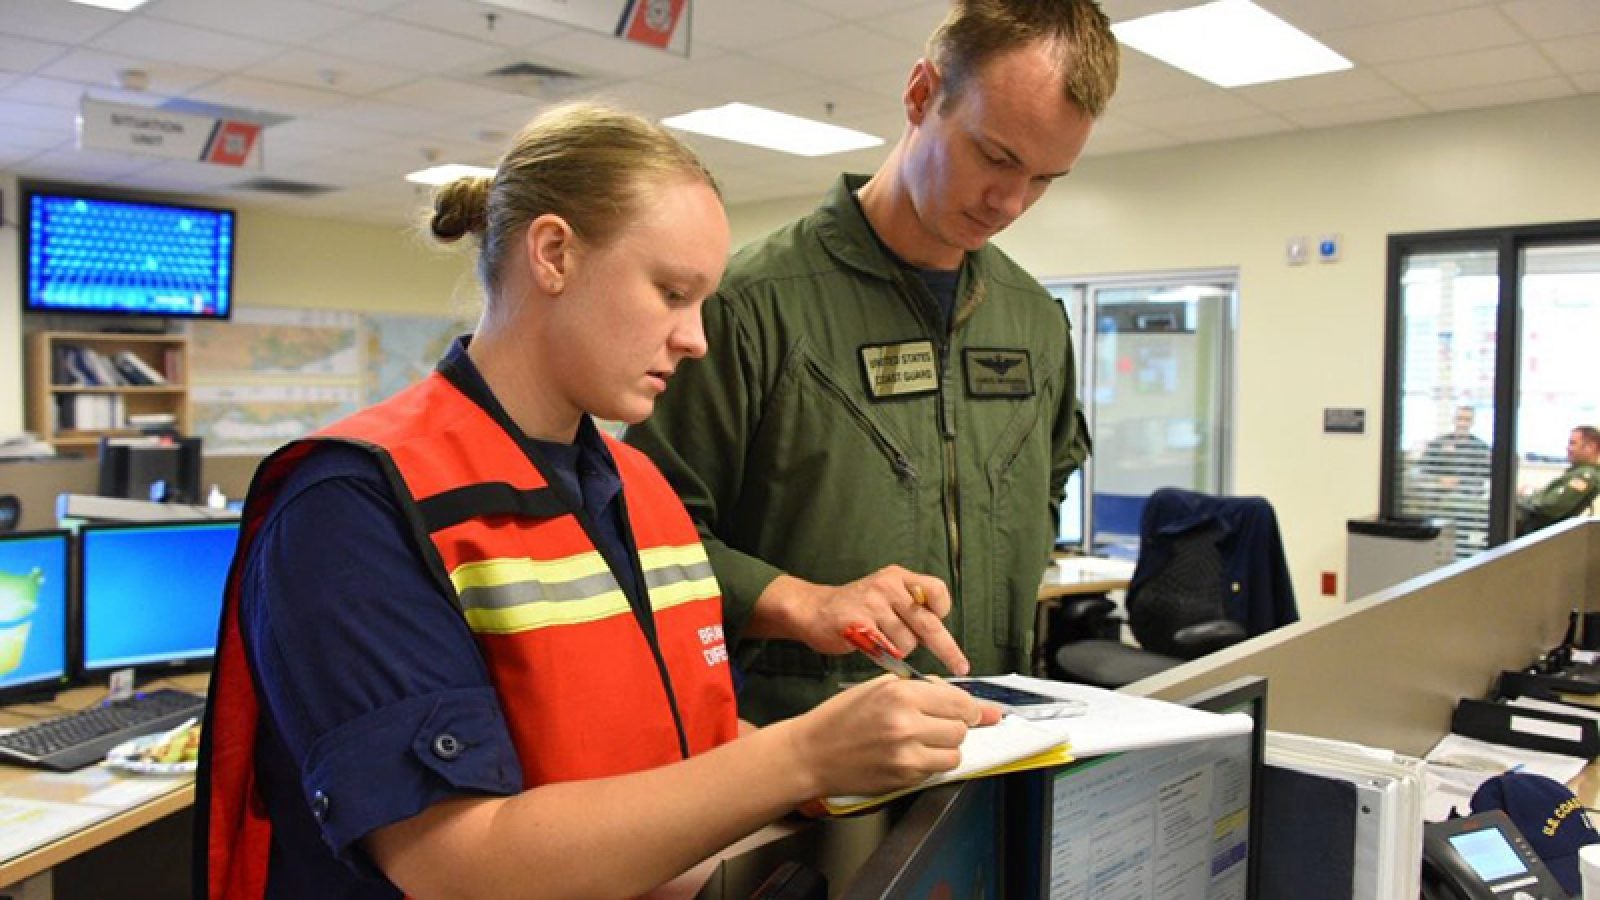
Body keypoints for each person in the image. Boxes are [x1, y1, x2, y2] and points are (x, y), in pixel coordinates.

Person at [195, 103, 998, 900]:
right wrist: (801, 757)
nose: (696, 340)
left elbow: (682, 741)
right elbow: (457, 866)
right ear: (553, 255)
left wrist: (857, 749)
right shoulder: (353, 505)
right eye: (671, 293)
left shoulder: (640, 487)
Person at [625, 0, 1121, 724]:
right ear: (922, 95)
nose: (1011, 202)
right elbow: (649, 541)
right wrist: (807, 603)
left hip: (993, 735)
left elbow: (1046, 487)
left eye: (1047, 177)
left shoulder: (1034, 320)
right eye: (996, 156)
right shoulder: (751, 306)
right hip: (797, 755)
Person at [1516, 425, 1600, 537]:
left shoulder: (1586, 476)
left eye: (1573, 443)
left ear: (1590, 447)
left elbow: (1552, 505)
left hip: (1537, 530)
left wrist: (1529, 495)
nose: (1568, 448)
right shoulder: (1577, 472)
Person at [1418, 405, 1491, 492]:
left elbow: (1484, 475)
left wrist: (1459, 481)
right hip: (1440, 496)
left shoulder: (1481, 447)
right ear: (1453, 420)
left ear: (1472, 422)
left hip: (1468, 498)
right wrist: (1438, 479)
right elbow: (1421, 469)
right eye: (1459, 418)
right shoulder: (1438, 443)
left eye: (1467, 420)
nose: (1462, 423)